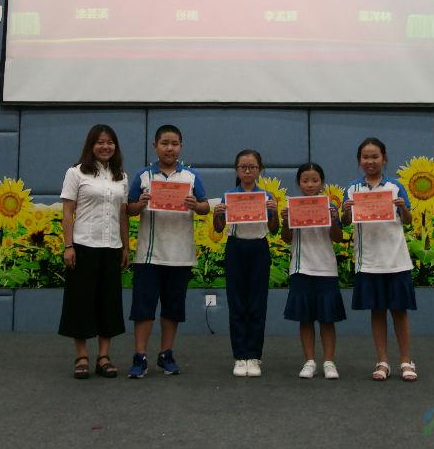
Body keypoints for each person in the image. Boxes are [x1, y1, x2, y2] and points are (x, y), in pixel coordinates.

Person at [125, 125, 210, 378]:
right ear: (155, 146)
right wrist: (139, 205)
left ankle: (166, 354)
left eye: (174, 144)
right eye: (164, 143)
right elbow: (129, 208)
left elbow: (205, 207)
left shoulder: (191, 177)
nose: (169, 148)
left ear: (181, 146)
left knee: (172, 309)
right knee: (143, 309)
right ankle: (139, 356)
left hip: (180, 256)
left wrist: (196, 205)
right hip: (149, 255)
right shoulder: (143, 175)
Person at [340, 137, 418, 382]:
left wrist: (403, 207)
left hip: (396, 259)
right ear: (359, 161)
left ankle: (405, 360)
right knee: (377, 311)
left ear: (384, 159)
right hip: (369, 261)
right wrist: (346, 211)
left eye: (375, 156)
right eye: (365, 157)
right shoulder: (352, 189)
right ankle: (382, 360)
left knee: (399, 312)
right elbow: (344, 222)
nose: (370, 161)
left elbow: (408, 221)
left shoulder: (395, 186)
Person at [58, 124, 130, 379]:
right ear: (91, 145)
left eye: (110, 142)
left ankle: (103, 357)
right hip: (83, 246)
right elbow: (68, 212)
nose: (105, 146)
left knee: (108, 303)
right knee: (81, 302)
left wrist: (126, 246)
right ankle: (81, 356)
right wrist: (68, 246)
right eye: (100, 142)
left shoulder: (121, 176)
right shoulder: (76, 173)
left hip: (112, 247)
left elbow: (122, 214)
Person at [212, 149, 279, 377]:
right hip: (236, 248)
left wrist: (274, 212)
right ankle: (240, 356)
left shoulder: (267, 196)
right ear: (236, 170)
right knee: (237, 302)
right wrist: (218, 214)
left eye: (252, 167)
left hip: (259, 248)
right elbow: (219, 228)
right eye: (243, 167)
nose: (248, 171)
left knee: (257, 303)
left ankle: (254, 356)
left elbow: (274, 229)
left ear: (260, 170)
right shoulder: (229, 195)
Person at [280, 162, 345, 380]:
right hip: (301, 268)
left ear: (322, 183)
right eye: (305, 180)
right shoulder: (293, 206)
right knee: (305, 318)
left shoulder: (329, 206)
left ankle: (329, 362)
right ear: (298, 183)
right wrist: (286, 221)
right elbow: (286, 238)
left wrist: (334, 220)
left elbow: (338, 237)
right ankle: (309, 361)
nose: (310, 185)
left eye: (315, 180)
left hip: (326, 268)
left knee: (327, 318)